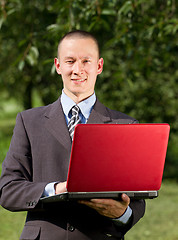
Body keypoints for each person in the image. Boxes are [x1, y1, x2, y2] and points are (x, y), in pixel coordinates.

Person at [0, 30, 145, 240]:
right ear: (58, 66)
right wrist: (56, 189)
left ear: (99, 66)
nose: (78, 69)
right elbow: (8, 190)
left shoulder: (125, 125)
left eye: (86, 61)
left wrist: (122, 214)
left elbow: (137, 200)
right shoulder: (28, 122)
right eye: (70, 61)